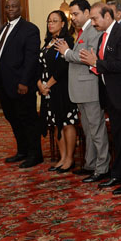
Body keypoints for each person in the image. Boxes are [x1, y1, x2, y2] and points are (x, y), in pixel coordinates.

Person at [79, 3, 121, 194]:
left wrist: (95, 62)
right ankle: (117, 174)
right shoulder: (102, 35)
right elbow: (104, 64)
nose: (93, 22)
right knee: (118, 138)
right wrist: (94, 64)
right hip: (110, 94)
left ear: (108, 16)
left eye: (95, 18)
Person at [56, 0, 110, 182]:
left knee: (96, 129)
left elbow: (87, 56)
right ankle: (90, 163)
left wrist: (66, 52)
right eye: (71, 14)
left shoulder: (93, 31)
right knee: (88, 129)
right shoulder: (83, 31)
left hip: (90, 88)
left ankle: (102, 167)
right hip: (81, 89)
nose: (73, 18)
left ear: (87, 13)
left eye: (76, 13)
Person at [0, 0, 42, 168]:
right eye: (7, 6)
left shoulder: (29, 29)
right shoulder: (4, 28)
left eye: (14, 6)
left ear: (20, 8)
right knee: (13, 118)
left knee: (28, 120)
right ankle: (22, 151)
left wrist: (24, 82)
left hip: (22, 85)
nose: (10, 9)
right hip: (5, 85)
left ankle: (35, 154)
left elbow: (31, 58)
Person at [38, 10, 78, 173]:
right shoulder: (47, 42)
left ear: (63, 23)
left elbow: (64, 67)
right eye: (49, 21)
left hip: (62, 89)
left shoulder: (67, 41)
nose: (51, 24)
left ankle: (70, 158)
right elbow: (39, 67)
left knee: (67, 123)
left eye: (55, 21)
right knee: (55, 124)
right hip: (48, 91)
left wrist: (48, 84)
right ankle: (62, 158)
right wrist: (40, 84)